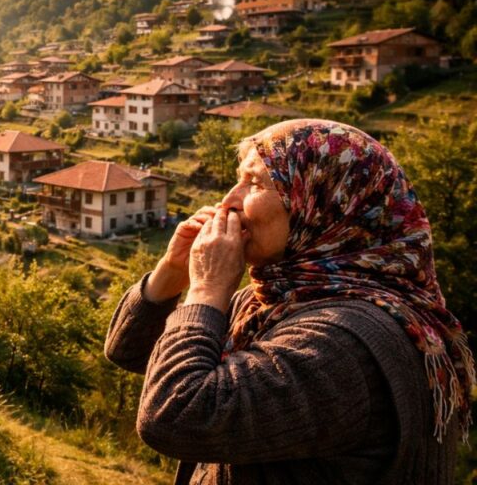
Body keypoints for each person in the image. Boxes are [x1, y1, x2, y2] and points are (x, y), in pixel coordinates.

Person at [104, 119, 474, 484]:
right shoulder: (276, 302)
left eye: (253, 183)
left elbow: (174, 414)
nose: (229, 201)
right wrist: (172, 272)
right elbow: (131, 351)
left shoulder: (344, 343)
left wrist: (206, 290)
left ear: (322, 202)